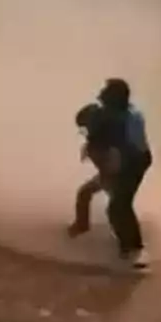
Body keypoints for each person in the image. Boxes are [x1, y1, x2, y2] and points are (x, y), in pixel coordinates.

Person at [97, 78, 152, 270]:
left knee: (119, 205)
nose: (101, 95)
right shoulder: (111, 113)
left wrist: (116, 166)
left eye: (106, 92)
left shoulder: (131, 118)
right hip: (120, 162)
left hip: (135, 163)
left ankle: (135, 248)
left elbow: (136, 149)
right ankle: (126, 244)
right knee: (116, 205)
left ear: (115, 98)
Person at [68, 101, 114, 239]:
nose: (85, 131)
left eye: (86, 126)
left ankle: (126, 242)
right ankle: (82, 226)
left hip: (119, 175)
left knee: (117, 206)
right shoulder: (97, 138)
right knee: (84, 193)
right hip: (108, 175)